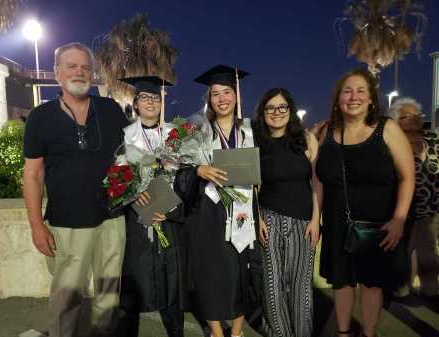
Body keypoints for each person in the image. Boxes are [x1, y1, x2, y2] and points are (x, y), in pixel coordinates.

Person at [22, 42, 129, 337]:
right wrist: (35, 224)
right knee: (67, 296)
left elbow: (130, 156)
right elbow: (32, 174)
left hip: (112, 218)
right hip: (67, 222)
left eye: (85, 67)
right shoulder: (40, 117)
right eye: (71, 66)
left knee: (109, 293)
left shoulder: (110, 110)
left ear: (92, 74)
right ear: (57, 73)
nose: (79, 72)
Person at [315, 69, 415, 337]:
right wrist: (315, 220)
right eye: (347, 91)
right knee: (341, 282)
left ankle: (369, 332)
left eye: (361, 91)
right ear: (338, 100)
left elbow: (407, 177)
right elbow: (319, 180)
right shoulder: (326, 132)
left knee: (372, 284)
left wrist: (399, 219)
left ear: (372, 99)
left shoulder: (387, 129)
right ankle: (344, 332)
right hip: (338, 221)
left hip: (378, 222)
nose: (353, 96)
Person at [175, 65, 260, 337]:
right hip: (208, 210)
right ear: (208, 99)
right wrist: (199, 170)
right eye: (215, 94)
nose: (222, 98)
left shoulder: (250, 130)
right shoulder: (197, 129)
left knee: (240, 270)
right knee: (209, 271)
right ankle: (216, 330)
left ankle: (236, 331)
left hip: (244, 208)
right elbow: (178, 169)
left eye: (227, 92)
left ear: (236, 95)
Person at [113, 76, 186, 337]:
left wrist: (169, 200)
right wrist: (134, 196)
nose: (151, 102)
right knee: (136, 281)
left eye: (156, 97)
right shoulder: (125, 136)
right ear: (135, 103)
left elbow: (186, 177)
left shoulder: (175, 136)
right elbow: (116, 180)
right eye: (145, 97)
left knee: (172, 281)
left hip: (169, 216)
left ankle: (176, 331)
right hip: (138, 220)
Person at [254, 88, 320, 337]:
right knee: (272, 285)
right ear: (263, 113)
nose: (276, 112)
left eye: (282, 107)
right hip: (268, 219)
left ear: (290, 110)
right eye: (270, 108)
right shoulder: (258, 144)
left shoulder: (306, 139)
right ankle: (277, 333)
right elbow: (255, 185)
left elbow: (317, 183)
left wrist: (316, 219)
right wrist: (258, 218)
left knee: (301, 285)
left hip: (303, 221)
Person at [389, 97, 439, 303]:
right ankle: (401, 288)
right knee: (404, 252)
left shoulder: (433, 140)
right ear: (396, 120)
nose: (414, 119)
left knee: (428, 252)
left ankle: (431, 288)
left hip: (432, 208)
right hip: (403, 208)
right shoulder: (392, 141)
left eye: (417, 115)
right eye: (407, 116)